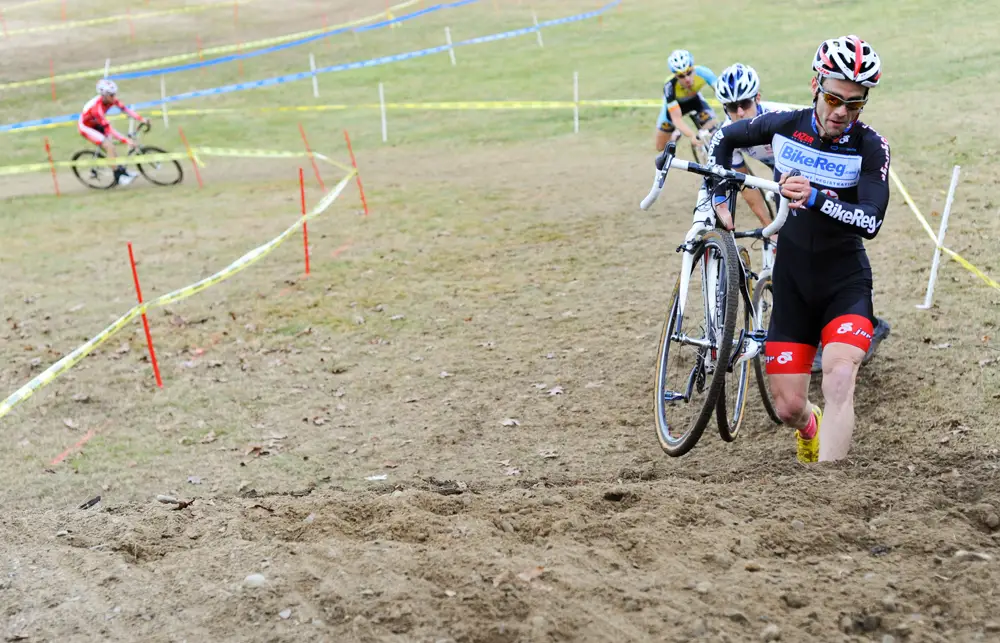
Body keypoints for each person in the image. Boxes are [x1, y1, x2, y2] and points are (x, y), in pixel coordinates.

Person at [704, 35, 890, 463]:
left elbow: (872, 219)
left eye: (855, 103)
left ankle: (831, 487)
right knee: (789, 407)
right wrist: (720, 194)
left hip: (844, 281)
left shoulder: (870, 146)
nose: (842, 111)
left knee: (840, 377)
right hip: (791, 286)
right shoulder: (785, 124)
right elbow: (724, 140)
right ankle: (810, 425)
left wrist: (816, 197)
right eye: (833, 97)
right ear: (814, 86)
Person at [713, 63, 892, 370]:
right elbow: (747, 186)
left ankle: (860, 324)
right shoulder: (743, 132)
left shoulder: (782, 116)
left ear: (758, 98)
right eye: (731, 107)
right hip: (782, 180)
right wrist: (769, 225)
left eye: (745, 104)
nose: (740, 112)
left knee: (824, 244)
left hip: (817, 171)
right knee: (791, 242)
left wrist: (813, 200)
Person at [78, 79, 149, 186]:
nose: (114, 97)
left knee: (112, 148)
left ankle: (122, 171)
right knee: (109, 147)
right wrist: (127, 141)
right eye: (111, 95)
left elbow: (126, 110)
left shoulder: (111, 100)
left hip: (97, 123)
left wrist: (141, 119)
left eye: (114, 94)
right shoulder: (97, 109)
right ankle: (118, 177)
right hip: (86, 127)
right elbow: (109, 129)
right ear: (104, 95)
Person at [655, 49, 720, 153]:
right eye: (681, 76)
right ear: (675, 75)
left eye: (689, 72)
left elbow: (724, 95)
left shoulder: (704, 72)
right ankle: (676, 135)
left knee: (714, 132)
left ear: (693, 68)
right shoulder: (669, 86)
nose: (687, 79)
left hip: (695, 103)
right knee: (660, 146)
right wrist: (692, 135)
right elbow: (676, 119)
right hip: (674, 109)